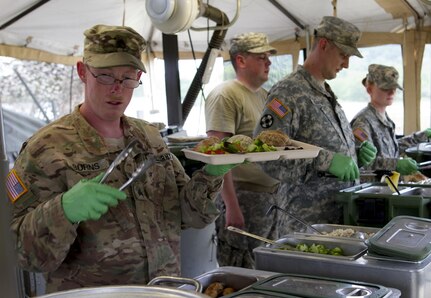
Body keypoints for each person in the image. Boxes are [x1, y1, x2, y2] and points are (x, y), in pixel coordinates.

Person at [7, 24, 233, 293]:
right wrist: (62, 211)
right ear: (82, 72)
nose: (117, 89)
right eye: (105, 76)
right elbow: (19, 252)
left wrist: (211, 176)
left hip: (162, 291)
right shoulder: (45, 149)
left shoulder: (149, 138)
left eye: (127, 78)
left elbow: (187, 216)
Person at [253, 16, 377, 235]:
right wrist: (327, 161)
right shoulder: (289, 91)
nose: (346, 64)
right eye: (343, 55)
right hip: (304, 224)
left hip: (335, 219)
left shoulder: (325, 92)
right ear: (323, 44)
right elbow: (264, 153)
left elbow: (320, 145)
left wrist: (355, 155)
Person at [205, 32, 280, 268]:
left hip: (270, 199)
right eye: (261, 57)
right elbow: (218, 156)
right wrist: (231, 206)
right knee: (240, 272)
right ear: (240, 60)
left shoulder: (266, 97)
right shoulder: (225, 95)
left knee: (266, 268)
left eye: (268, 57)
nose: (268, 62)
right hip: (242, 197)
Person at [351, 63, 431, 176]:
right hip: (374, 190)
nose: (392, 92)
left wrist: (421, 136)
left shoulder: (385, 119)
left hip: (389, 187)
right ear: (369, 88)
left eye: (393, 87)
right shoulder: (362, 122)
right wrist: (395, 164)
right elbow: (361, 162)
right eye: (385, 88)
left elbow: (392, 148)